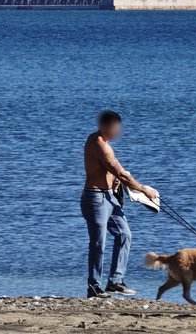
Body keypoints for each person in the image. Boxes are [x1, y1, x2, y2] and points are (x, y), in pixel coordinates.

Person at [81, 110, 159, 298]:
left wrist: (115, 181)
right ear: (103, 126)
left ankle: (115, 282)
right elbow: (121, 173)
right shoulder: (98, 144)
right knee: (98, 244)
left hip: (110, 197)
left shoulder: (105, 143)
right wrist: (143, 190)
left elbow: (113, 170)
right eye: (114, 128)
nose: (117, 131)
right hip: (95, 199)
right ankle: (93, 287)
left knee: (124, 235)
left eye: (118, 128)